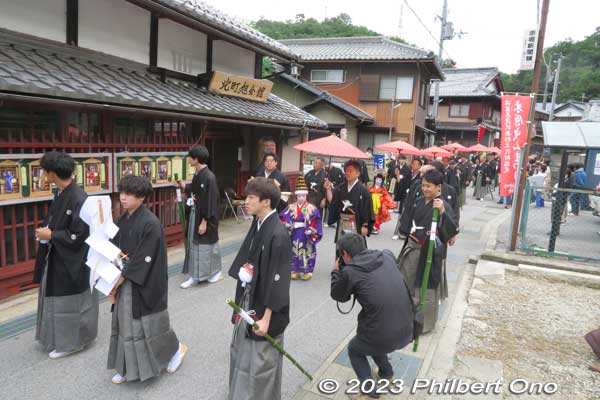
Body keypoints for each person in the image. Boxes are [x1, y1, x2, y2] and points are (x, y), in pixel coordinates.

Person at [107, 175, 186, 384]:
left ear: (141, 197)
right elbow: (113, 246)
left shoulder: (151, 223)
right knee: (125, 323)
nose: (123, 197)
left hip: (145, 280)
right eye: (122, 193)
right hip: (126, 277)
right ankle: (127, 367)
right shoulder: (123, 219)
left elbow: (144, 257)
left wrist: (122, 277)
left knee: (149, 325)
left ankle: (175, 350)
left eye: (129, 194)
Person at [228, 177, 292, 400]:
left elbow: (280, 280)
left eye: (251, 198)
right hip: (251, 296)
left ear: (266, 202)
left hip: (266, 306)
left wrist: (267, 318)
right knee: (243, 349)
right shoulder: (258, 222)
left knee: (261, 357)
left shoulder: (278, 234)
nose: (246, 201)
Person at [331, 232, 415, 399]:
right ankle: (386, 373)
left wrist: (335, 272)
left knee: (355, 349)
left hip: (383, 333)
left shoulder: (350, 272)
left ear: (345, 254)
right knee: (372, 336)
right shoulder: (386, 255)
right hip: (408, 327)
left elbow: (339, 295)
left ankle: (369, 392)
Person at [33, 151, 98, 359]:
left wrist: (51, 234)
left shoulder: (78, 197)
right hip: (59, 255)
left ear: (52, 173)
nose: (44, 175)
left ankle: (73, 343)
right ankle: (59, 338)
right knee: (58, 298)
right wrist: (46, 233)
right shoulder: (61, 193)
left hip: (73, 258)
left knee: (71, 302)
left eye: (45, 171)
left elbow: (80, 234)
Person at [397, 169, 458, 333]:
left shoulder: (442, 204)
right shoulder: (418, 200)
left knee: (425, 287)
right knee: (405, 282)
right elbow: (408, 221)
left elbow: (451, 230)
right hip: (412, 247)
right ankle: (405, 319)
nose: (424, 189)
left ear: (438, 187)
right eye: (423, 185)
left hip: (428, 252)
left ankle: (423, 325)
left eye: (428, 186)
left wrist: (443, 213)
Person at [178, 146, 223, 288]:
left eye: (190, 157)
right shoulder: (199, 174)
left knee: (207, 245)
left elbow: (210, 201)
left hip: (206, 217)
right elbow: (194, 189)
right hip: (197, 214)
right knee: (196, 244)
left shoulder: (208, 176)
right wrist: (183, 186)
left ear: (196, 159)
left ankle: (211, 273)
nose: (189, 159)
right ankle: (197, 274)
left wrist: (204, 221)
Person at [279, 176, 323, 281]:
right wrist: (287, 224)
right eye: (299, 196)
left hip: (306, 233)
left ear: (306, 196)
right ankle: (294, 270)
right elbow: (283, 217)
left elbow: (316, 220)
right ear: (296, 196)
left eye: (303, 195)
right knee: (294, 250)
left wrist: (312, 229)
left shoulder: (312, 208)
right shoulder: (291, 207)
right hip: (294, 232)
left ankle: (307, 271)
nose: (301, 198)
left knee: (306, 251)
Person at [325, 160, 375, 243]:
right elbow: (333, 202)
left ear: (358, 174)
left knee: (355, 249)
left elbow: (367, 209)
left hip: (356, 223)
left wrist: (365, 226)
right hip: (342, 222)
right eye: (346, 171)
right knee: (341, 249)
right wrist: (328, 189)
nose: (347, 173)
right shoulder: (341, 188)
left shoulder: (364, 191)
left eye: (350, 171)